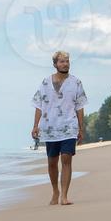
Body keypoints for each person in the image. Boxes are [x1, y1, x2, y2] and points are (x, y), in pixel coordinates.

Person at [31, 50, 88, 206]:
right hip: (50, 127)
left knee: (66, 159)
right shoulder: (45, 83)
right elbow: (38, 105)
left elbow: (80, 106)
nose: (65, 64)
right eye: (62, 61)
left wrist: (81, 128)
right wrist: (35, 126)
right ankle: (55, 191)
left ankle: (64, 196)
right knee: (52, 162)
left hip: (69, 126)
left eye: (67, 61)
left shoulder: (76, 82)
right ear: (55, 64)